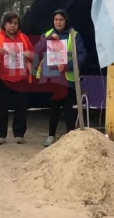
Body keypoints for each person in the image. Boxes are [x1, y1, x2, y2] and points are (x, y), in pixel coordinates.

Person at [34, 9, 87, 147]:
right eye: (56, 20)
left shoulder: (74, 35)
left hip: (68, 78)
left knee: (68, 109)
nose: (58, 22)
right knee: (53, 108)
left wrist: (67, 66)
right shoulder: (46, 34)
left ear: (66, 21)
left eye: (61, 20)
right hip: (52, 78)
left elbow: (81, 56)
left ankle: (71, 137)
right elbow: (37, 52)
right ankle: (51, 136)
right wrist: (47, 40)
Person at [0, 12, 35, 144]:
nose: (13, 26)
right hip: (2, 79)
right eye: (10, 23)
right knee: (0, 107)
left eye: (15, 23)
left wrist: (29, 54)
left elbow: (34, 55)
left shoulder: (24, 38)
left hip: (21, 79)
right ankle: (0, 134)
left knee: (21, 107)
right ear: (4, 24)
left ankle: (19, 133)